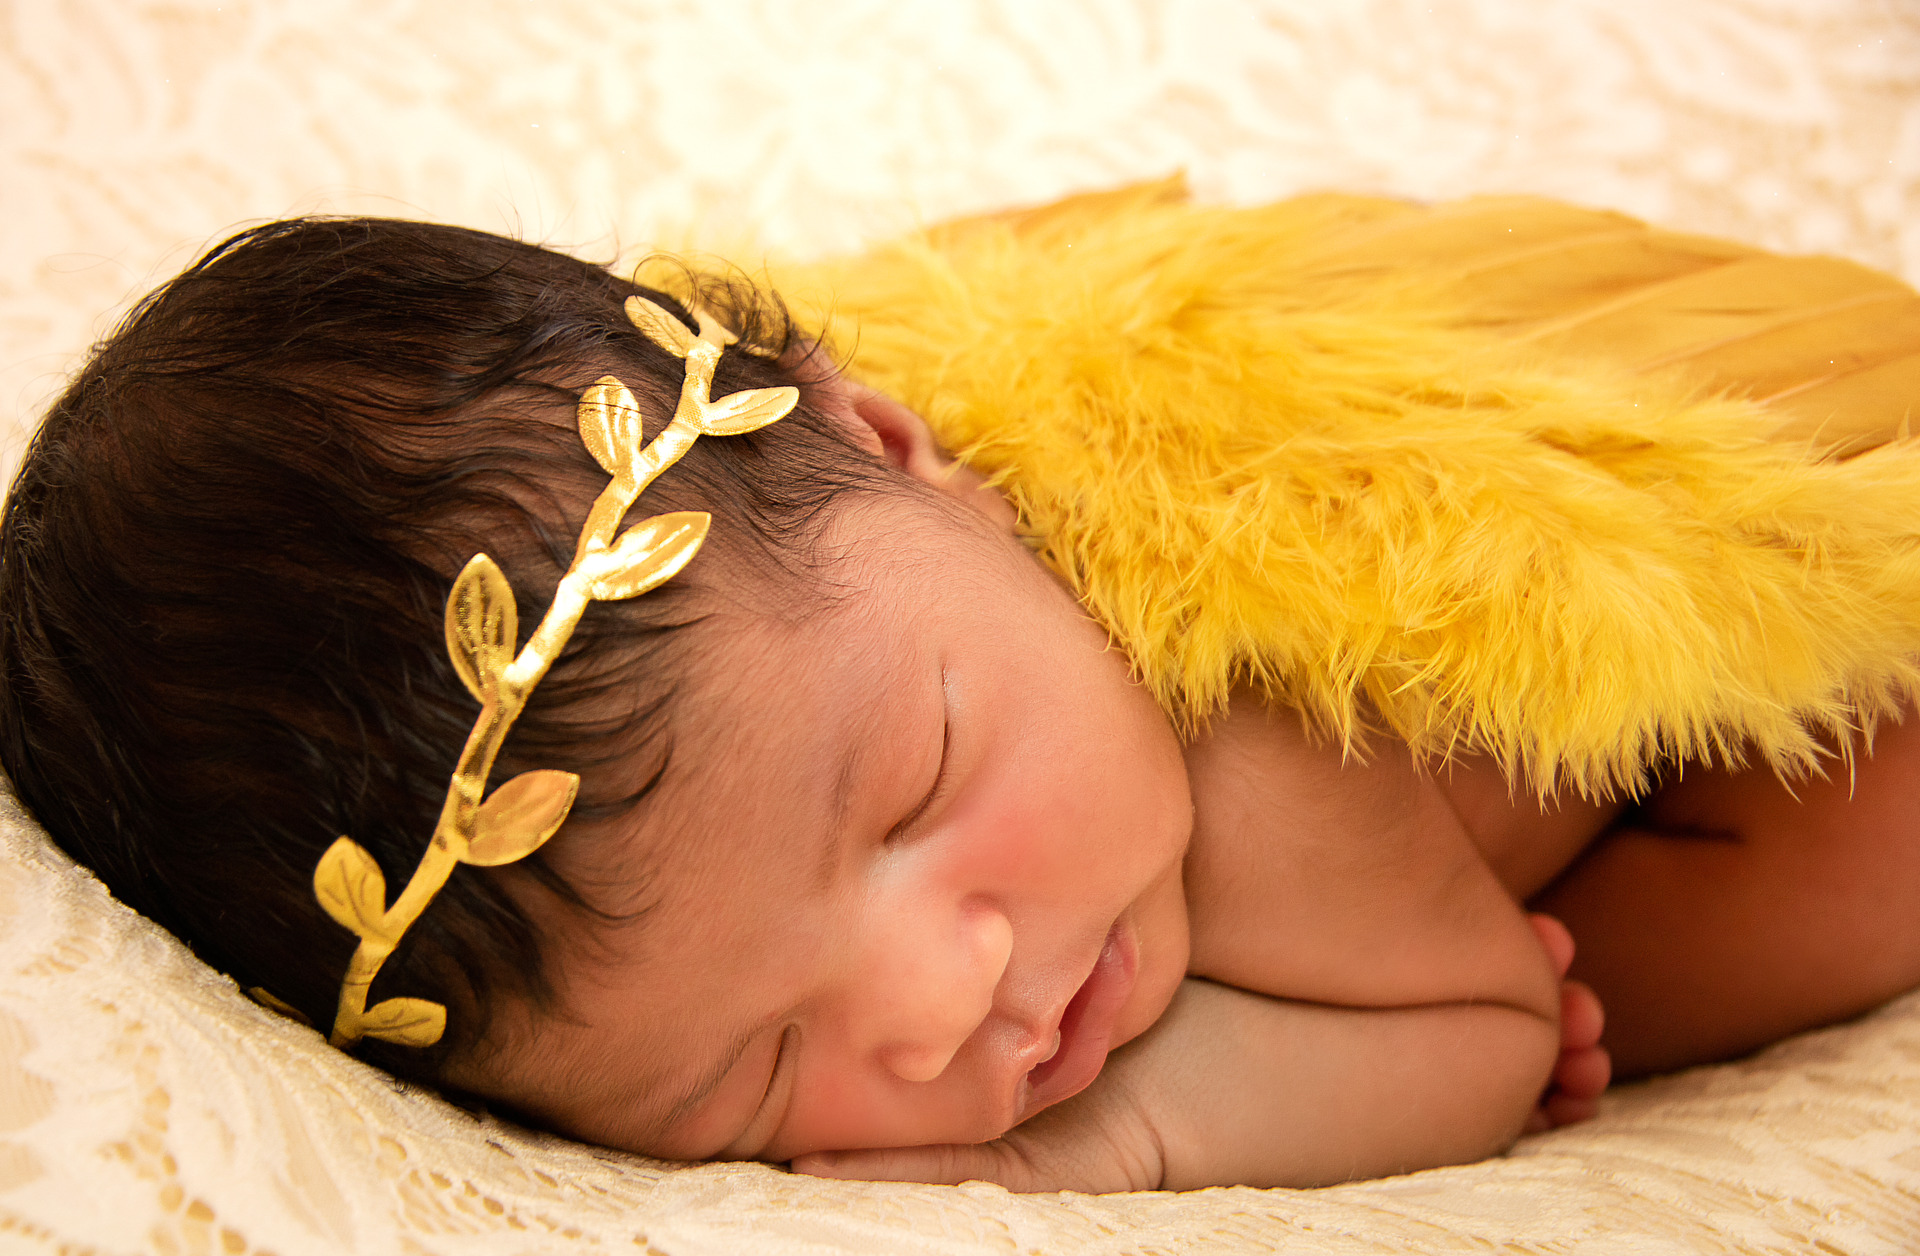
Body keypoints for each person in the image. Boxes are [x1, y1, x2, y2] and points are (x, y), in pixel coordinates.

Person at [3, 203, 1918, 1194]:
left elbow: (1489, 1037)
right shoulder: (868, 629)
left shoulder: (1256, 759)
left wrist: (1116, 1140)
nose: (941, 1011)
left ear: (900, 444)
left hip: (1716, 567)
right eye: (753, 1070)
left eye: (915, 787)